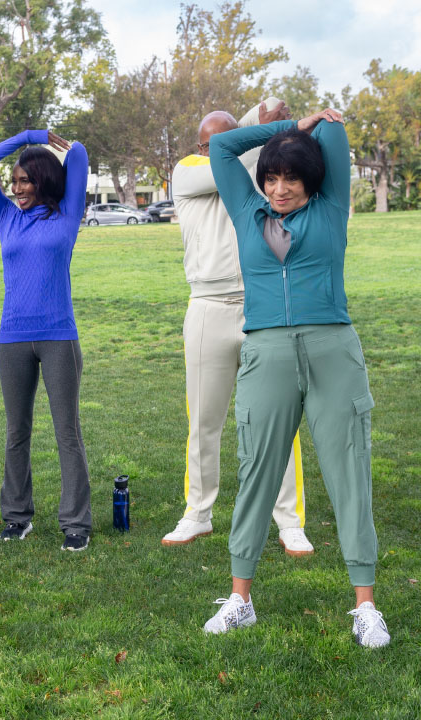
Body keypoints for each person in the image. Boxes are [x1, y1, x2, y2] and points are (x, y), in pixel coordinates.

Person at [203, 107, 390, 648]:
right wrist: (285, 130)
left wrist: (315, 127)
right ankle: (240, 598)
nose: (280, 188)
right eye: (272, 177)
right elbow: (221, 146)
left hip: (334, 349)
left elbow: (335, 131)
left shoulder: (331, 209)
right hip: (266, 352)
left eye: (292, 178)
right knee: (257, 469)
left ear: (312, 182)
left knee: (350, 473)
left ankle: (366, 605)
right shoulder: (247, 211)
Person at [162, 99, 314, 557]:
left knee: (277, 418)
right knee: (204, 420)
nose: (218, 150)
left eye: (226, 140)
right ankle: (198, 513)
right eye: (211, 144)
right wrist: (257, 119)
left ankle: (289, 521)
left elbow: (248, 152)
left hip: (258, 305)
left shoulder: (254, 170)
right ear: (199, 146)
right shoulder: (188, 171)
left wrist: (263, 118)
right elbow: (231, 154)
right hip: (206, 305)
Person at [0, 129, 92, 551]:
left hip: (59, 336)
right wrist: (25, 136)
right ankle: (17, 517)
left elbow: (78, 154)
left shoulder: (67, 214)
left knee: (67, 432)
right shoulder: (6, 215)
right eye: (15, 181)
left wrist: (58, 143)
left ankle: (76, 522)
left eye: (25, 180)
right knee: (16, 431)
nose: (17, 188)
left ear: (43, 180)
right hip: (13, 339)